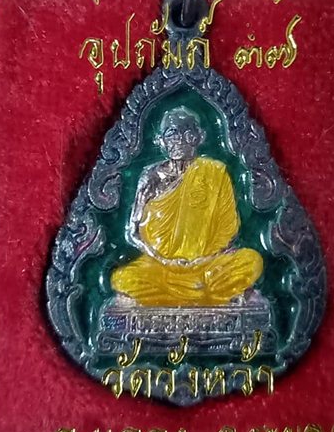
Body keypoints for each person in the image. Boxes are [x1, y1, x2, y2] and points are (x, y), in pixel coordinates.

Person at [111, 107, 263, 306]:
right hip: (160, 267)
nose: (179, 141)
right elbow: (133, 232)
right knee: (122, 278)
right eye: (172, 134)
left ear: (199, 138)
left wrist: (203, 260)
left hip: (207, 266)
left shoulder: (214, 172)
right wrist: (164, 261)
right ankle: (202, 295)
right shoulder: (151, 177)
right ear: (160, 141)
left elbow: (228, 229)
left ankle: (176, 296)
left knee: (252, 260)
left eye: (188, 134)